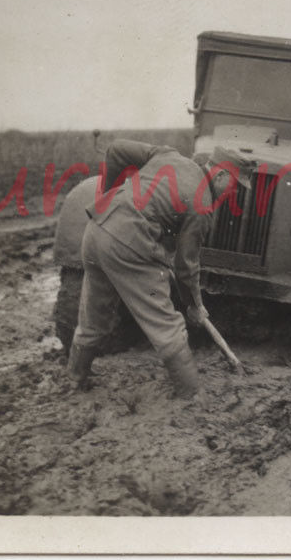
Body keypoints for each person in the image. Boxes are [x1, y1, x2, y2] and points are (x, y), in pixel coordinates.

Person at [66, 139, 215, 399]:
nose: (234, 192)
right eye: (235, 184)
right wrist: (194, 305)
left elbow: (115, 150)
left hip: (95, 231)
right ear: (221, 173)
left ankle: (75, 379)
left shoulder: (169, 153)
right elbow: (186, 266)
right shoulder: (203, 201)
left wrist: (106, 198)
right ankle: (193, 395)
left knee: (93, 317)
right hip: (128, 244)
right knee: (166, 325)